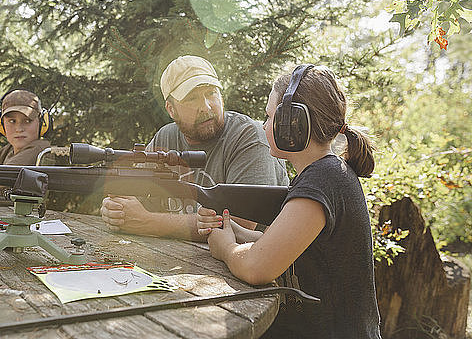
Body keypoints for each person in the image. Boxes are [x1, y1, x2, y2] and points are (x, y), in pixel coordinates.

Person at [197, 64, 381, 338]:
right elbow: (290, 247)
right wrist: (234, 231)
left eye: (270, 116)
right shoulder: (322, 175)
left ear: (291, 123)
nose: (263, 125)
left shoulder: (323, 181)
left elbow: (255, 268)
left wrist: (225, 248)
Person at [101, 55, 289, 240]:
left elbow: (242, 224)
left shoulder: (249, 137)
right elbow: (134, 196)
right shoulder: (165, 138)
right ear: (171, 109)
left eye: (211, 93)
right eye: (192, 98)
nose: (206, 107)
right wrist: (117, 210)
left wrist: (147, 222)